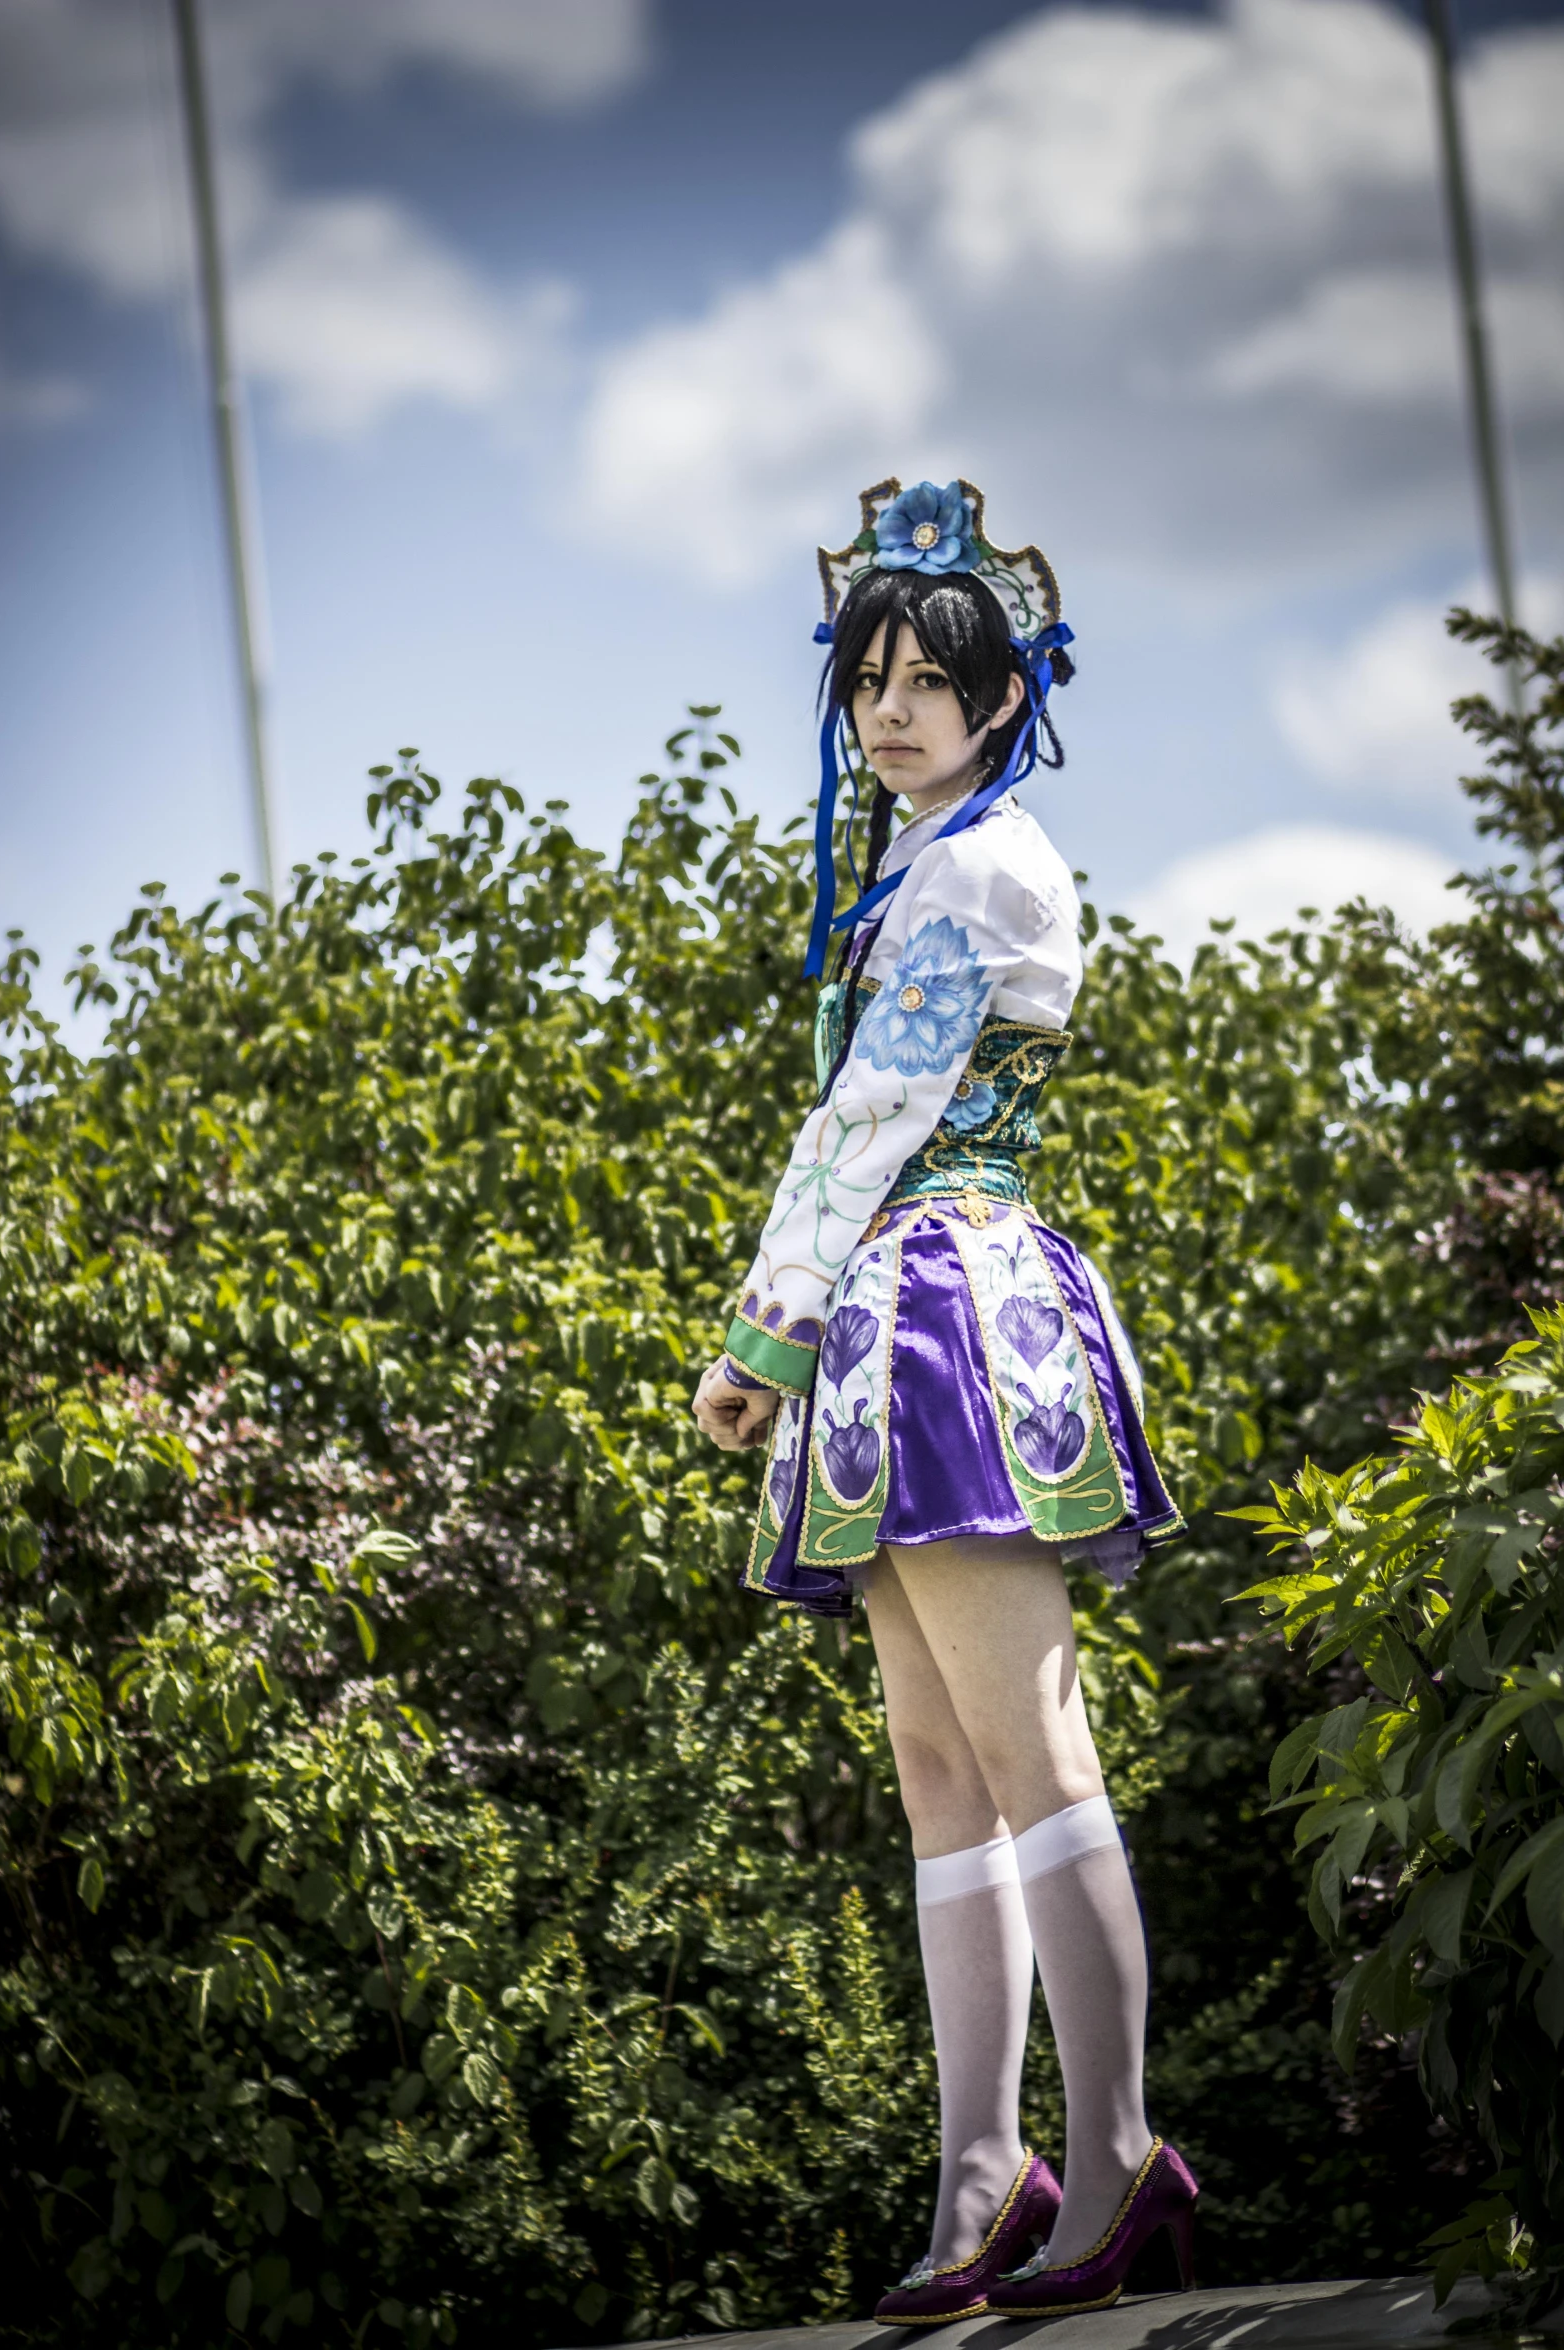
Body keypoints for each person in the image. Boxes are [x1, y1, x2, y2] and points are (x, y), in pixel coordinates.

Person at [692, 478, 1197, 2325]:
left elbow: (870, 1118)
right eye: (868, 679)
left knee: (1029, 1747)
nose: (891, 707)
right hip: (890, 1317)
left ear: (1001, 700)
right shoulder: (918, 865)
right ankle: (987, 2169)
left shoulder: (983, 867)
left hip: (949, 1303)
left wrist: (757, 1330)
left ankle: (1124, 2151)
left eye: (930, 679)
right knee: (937, 1769)